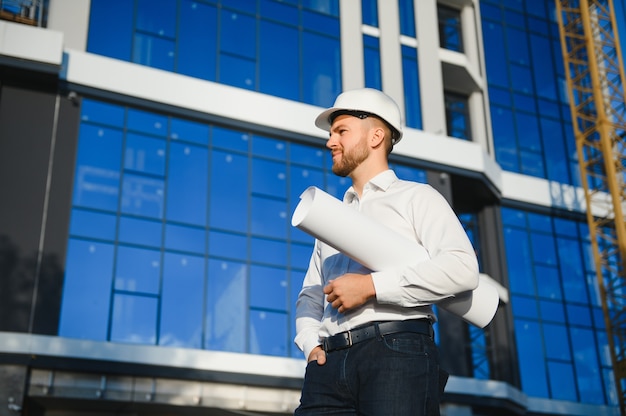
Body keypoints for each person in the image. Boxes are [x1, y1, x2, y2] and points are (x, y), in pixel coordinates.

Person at [294, 88, 479, 415]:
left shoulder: (417, 198)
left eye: (341, 131)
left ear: (376, 136)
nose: (330, 142)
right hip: (328, 365)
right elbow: (310, 294)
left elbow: (462, 268)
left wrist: (370, 287)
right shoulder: (331, 218)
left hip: (396, 352)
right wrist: (311, 345)